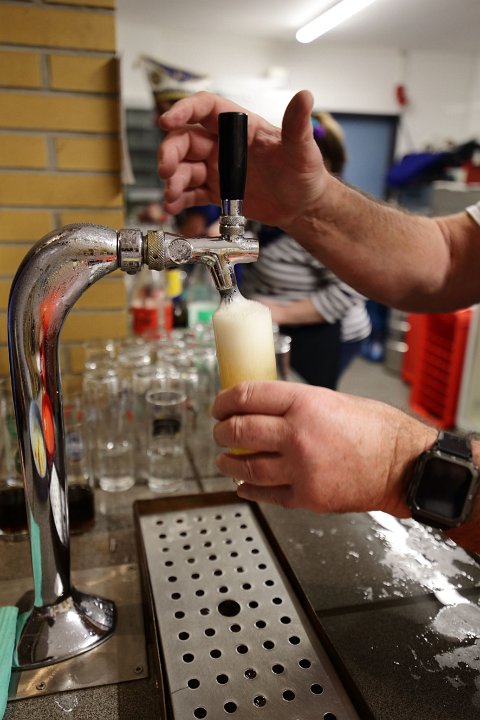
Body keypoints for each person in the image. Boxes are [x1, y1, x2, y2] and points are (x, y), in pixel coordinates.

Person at [157, 89, 480, 553]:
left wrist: (396, 464)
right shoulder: (266, 221)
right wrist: (309, 204)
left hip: (325, 334)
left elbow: (345, 295)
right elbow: (449, 256)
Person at [239, 111, 371, 388]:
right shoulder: (283, 202)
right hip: (278, 325)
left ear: (328, 164)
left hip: (322, 333)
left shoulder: (327, 218)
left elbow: (353, 288)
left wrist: (278, 312)